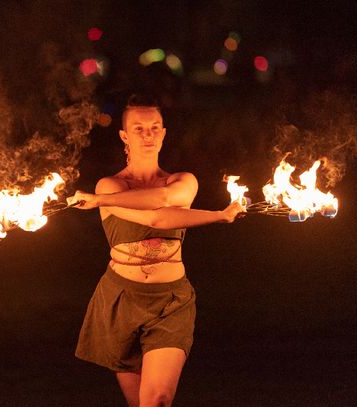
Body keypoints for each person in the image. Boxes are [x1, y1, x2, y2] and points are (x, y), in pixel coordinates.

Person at [69, 95, 243, 406]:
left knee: (158, 400)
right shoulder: (109, 187)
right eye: (139, 129)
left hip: (170, 302)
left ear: (163, 133)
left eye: (154, 128)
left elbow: (161, 209)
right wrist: (103, 199)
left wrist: (220, 214)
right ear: (124, 136)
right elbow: (155, 216)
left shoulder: (183, 181)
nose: (148, 135)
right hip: (121, 300)